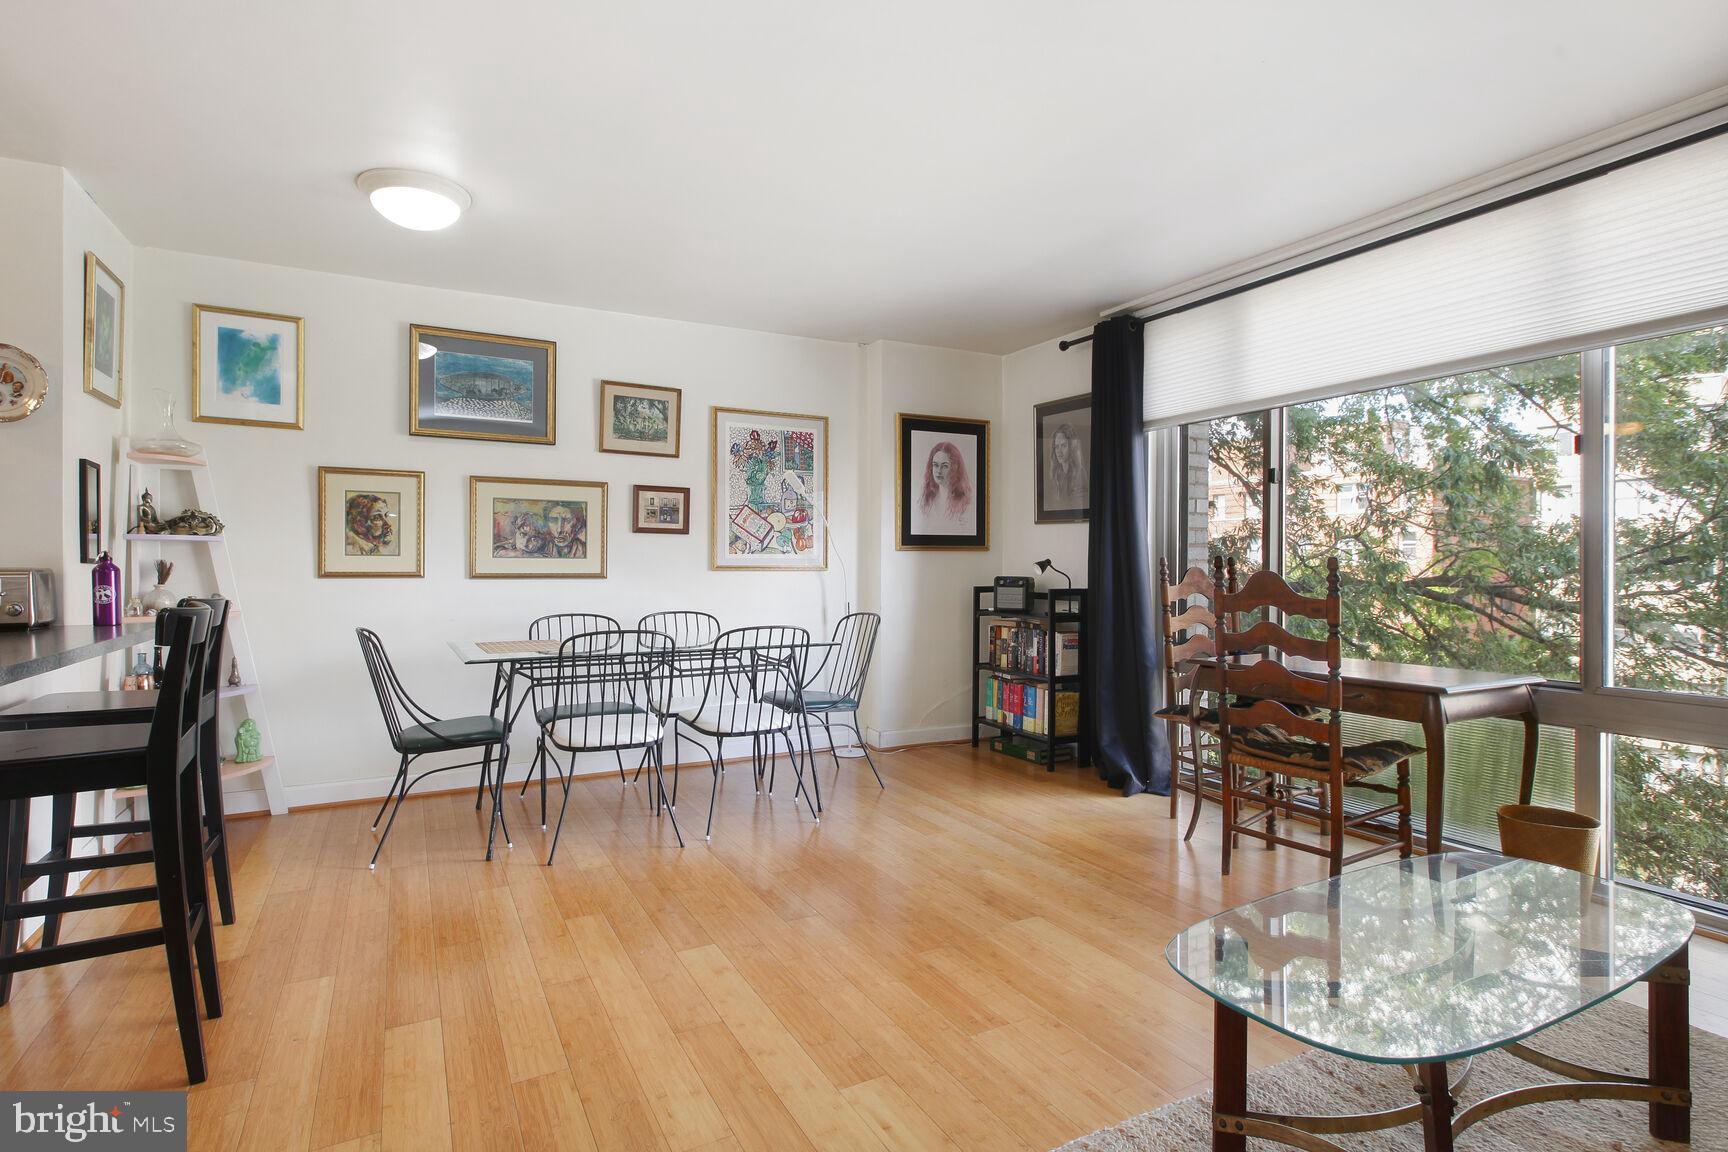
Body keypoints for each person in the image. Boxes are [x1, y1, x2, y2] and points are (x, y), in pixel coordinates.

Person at [918, 440, 973, 521]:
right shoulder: (927, 500)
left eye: (944, 466)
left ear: (954, 469)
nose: (939, 471)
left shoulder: (965, 504)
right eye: (936, 465)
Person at [1048, 422, 1087, 505]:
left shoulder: (1079, 473)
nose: (1059, 451)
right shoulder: (1056, 474)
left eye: (1063, 445)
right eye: (1056, 447)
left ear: (1071, 447)